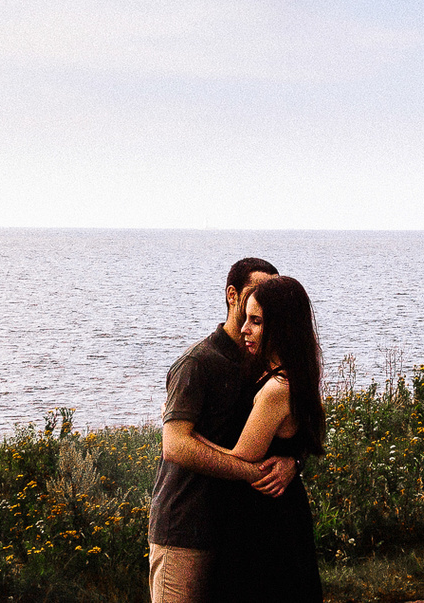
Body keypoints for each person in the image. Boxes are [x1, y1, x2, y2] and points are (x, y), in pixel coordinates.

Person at [148, 257, 297, 603]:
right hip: (185, 530)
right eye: (254, 293)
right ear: (232, 296)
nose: (262, 303)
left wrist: (293, 463)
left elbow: (286, 427)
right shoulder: (197, 363)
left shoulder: (265, 363)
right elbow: (176, 446)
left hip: (237, 530)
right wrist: (251, 472)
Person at [198, 275, 326, 603]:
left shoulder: (275, 388)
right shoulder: (291, 374)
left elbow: (241, 457)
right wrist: (295, 460)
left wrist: (191, 438)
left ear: (280, 328)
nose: (245, 330)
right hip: (278, 513)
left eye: (256, 321)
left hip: (265, 523)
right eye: (246, 319)